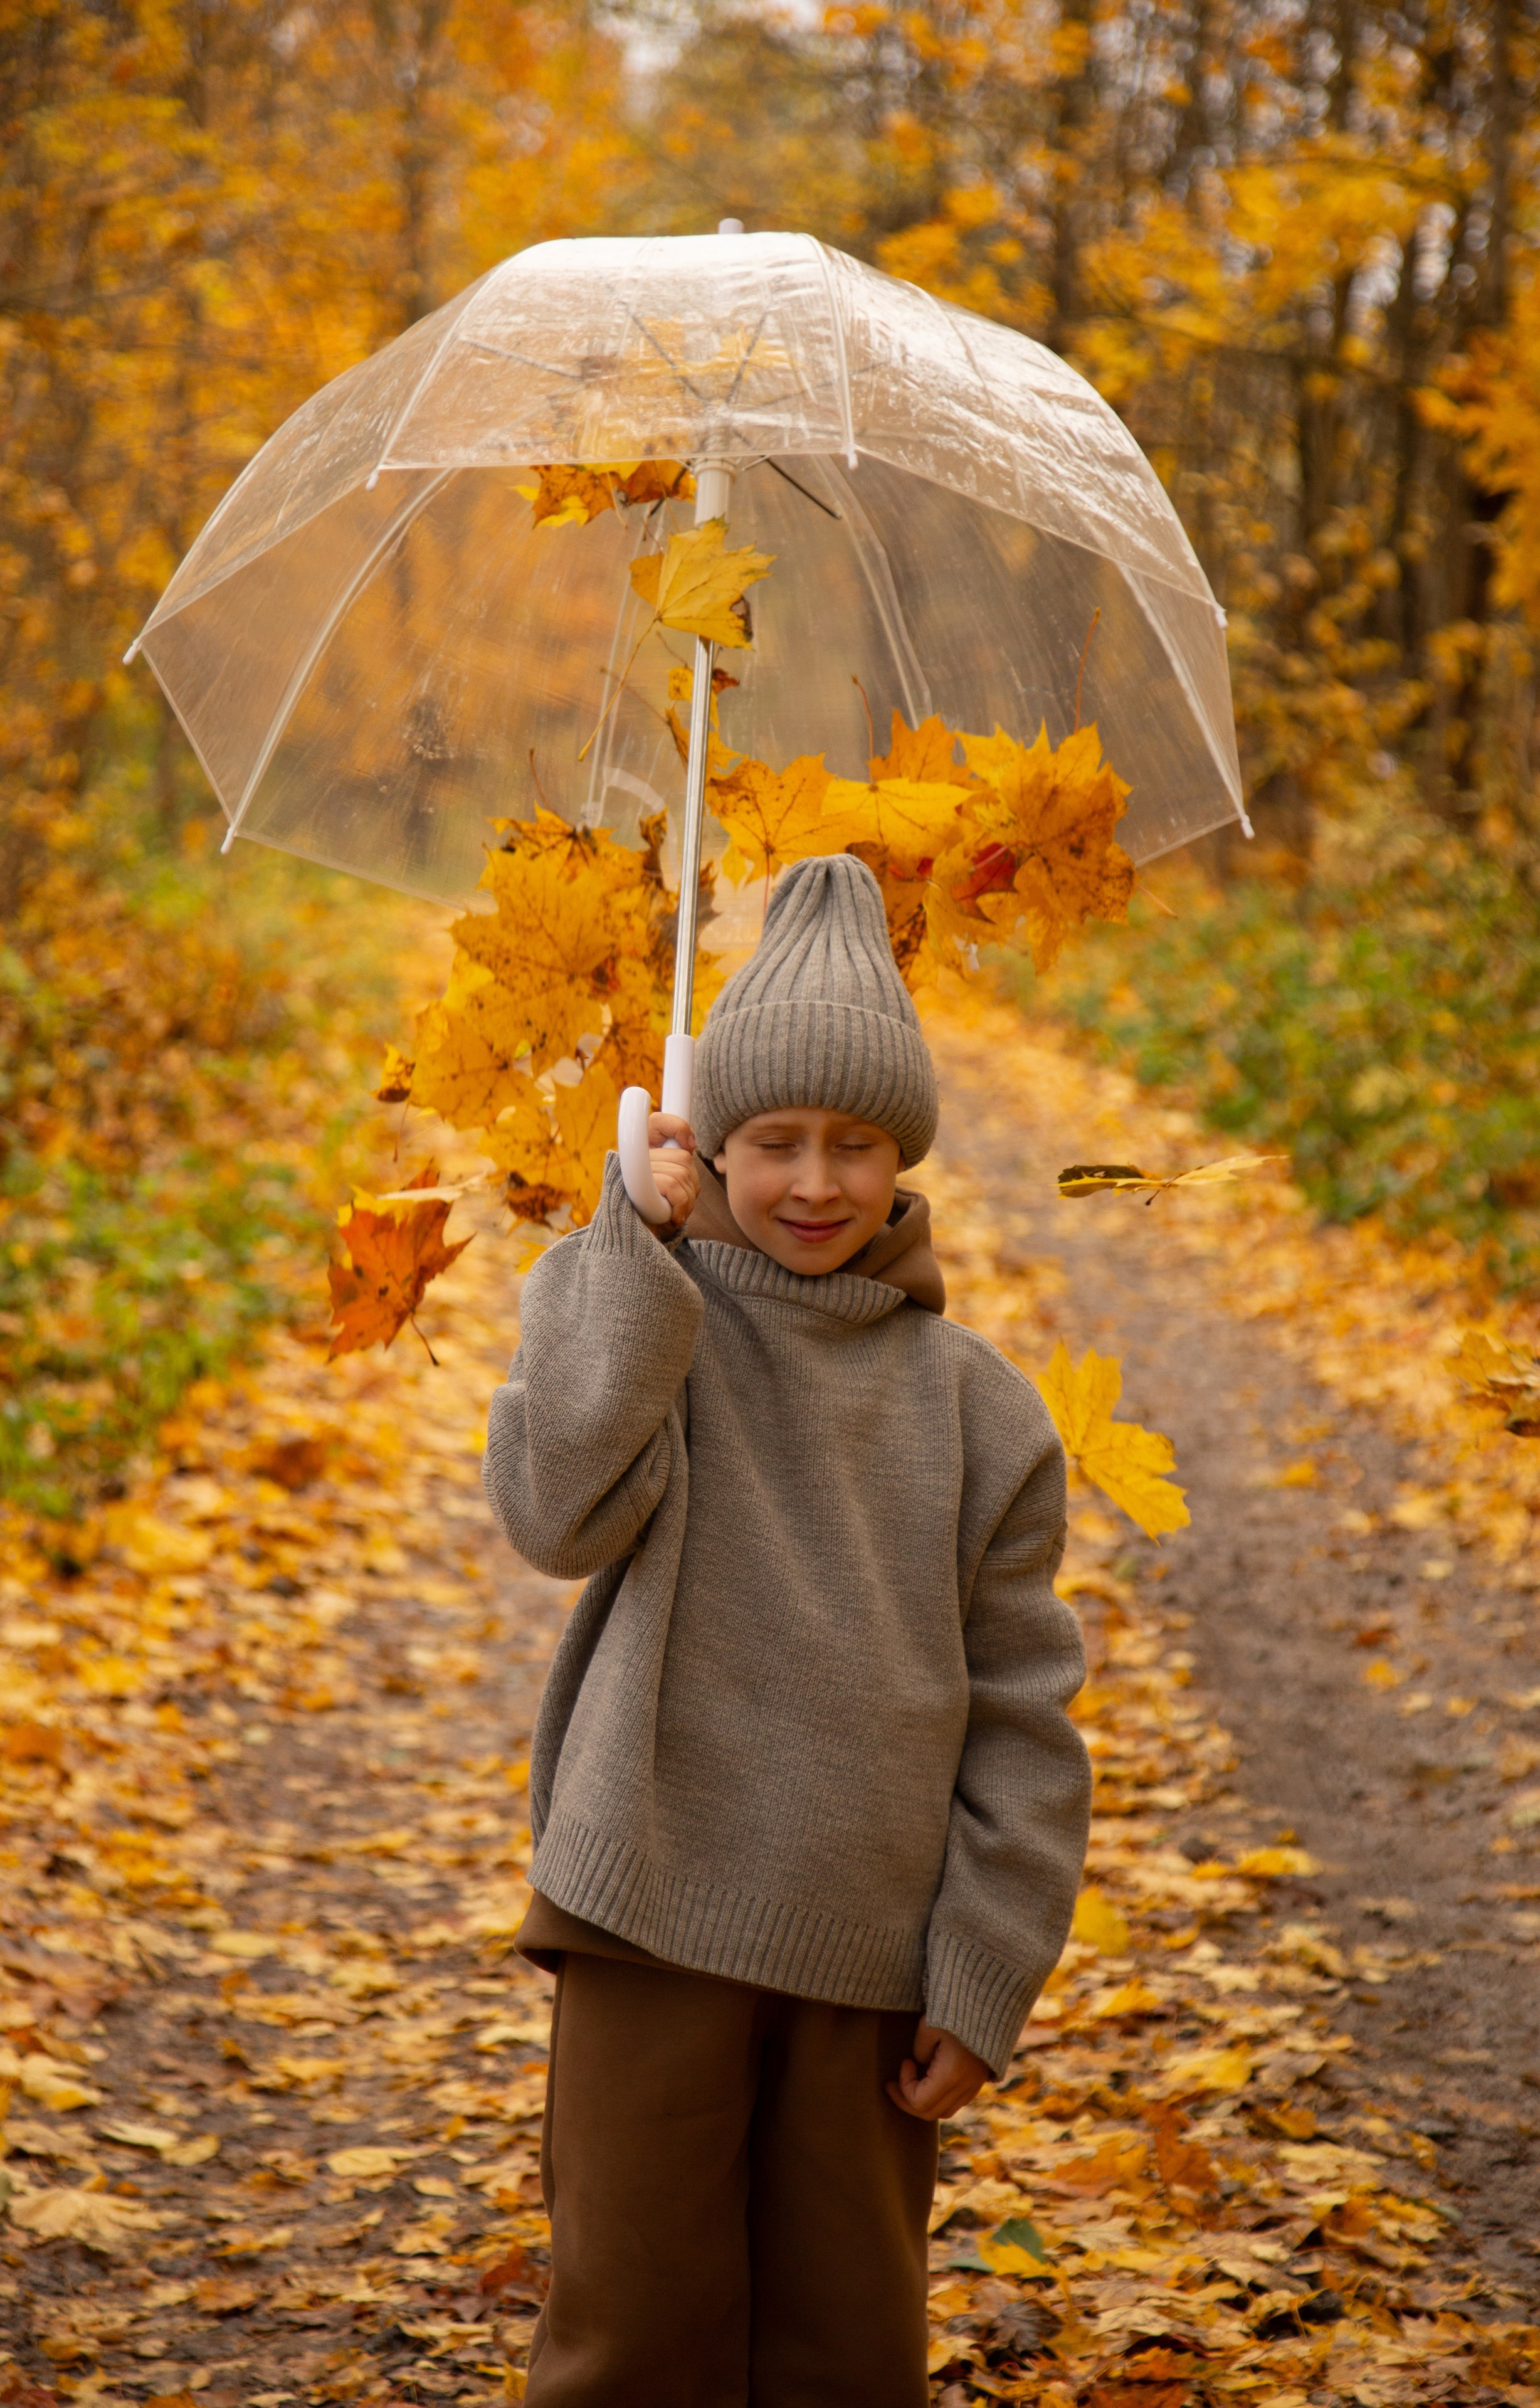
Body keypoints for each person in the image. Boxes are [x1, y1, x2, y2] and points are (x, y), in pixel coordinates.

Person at [482, 853, 1091, 2408]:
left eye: (855, 1145)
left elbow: (1024, 1711)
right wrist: (629, 1242)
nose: (813, 1183)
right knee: (634, 2331)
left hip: (868, 1951)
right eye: (771, 1143)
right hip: (648, 1904)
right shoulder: (663, 1320)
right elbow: (553, 1514)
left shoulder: (979, 1413)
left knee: (844, 2347)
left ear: (905, 1157)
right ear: (711, 1139)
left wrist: (984, 1968)